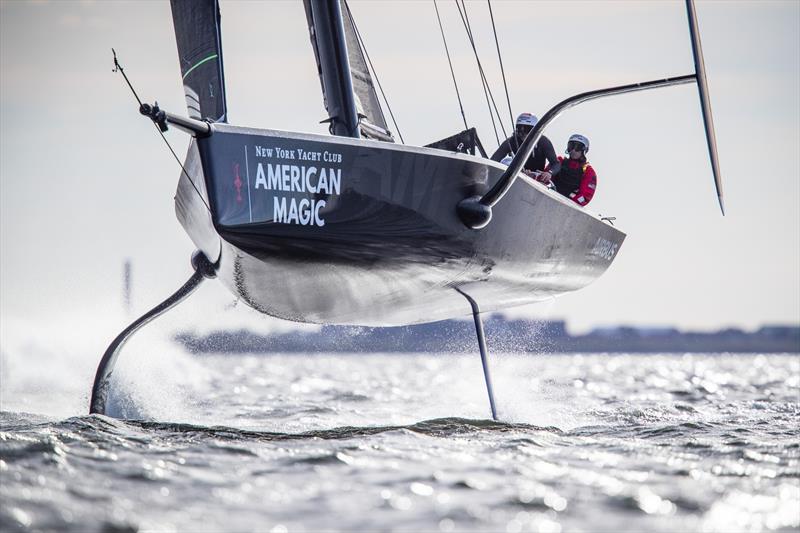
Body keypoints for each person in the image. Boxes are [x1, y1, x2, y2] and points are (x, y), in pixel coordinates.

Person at [491, 112, 561, 179]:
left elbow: (556, 164)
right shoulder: (510, 142)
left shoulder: (543, 142)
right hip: (516, 175)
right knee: (506, 162)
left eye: (527, 129)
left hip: (536, 179)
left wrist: (549, 173)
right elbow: (493, 160)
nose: (523, 133)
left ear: (536, 130)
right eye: (519, 129)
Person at [543, 134, 597, 207]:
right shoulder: (559, 161)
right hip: (548, 198)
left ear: (584, 150)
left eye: (578, 147)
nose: (573, 150)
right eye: (571, 146)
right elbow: (543, 179)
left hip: (567, 207)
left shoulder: (588, 172)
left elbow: (584, 199)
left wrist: (568, 195)